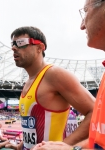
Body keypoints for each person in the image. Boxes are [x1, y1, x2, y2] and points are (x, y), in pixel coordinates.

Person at [0, 26, 95, 150]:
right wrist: (21, 145)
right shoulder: (28, 82)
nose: (14, 48)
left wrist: (65, 146)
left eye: (20, 43)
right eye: (13, 44)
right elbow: (34, 130)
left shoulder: (55, 74)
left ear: (40, 48)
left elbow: (96, 111)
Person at [32, 0, 105, 149]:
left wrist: (71, 147)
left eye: (85, 11)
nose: (82, 25)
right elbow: (99, 141)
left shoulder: (55, 74)